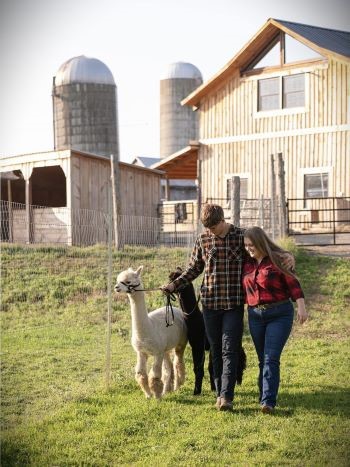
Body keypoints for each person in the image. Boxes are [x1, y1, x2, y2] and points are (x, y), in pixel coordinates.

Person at [162, 204, 247, 411]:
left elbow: (262, 253)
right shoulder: (203, 239)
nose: (210, 232)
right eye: (207, 228)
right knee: (216, 350)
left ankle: (227, 396)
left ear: (222, 221)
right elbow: (193, 268)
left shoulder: (242, 236)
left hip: (234, 304)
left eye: (213, 228)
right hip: (210, 304)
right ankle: (219, 394)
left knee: (229, 349)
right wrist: (175, 284)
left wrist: (284, 257)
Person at [242, 226, 308, 414]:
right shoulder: (246, 263)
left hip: (279, 313)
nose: (249, 249)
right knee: (262, 359)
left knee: (271, 357)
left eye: (252, 245)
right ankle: (264, 394)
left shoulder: (278, 260)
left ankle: (268, 402)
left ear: (261, 243)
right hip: (255, 315)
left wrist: (301, 307)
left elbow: (293, 284)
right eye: (246, 245)